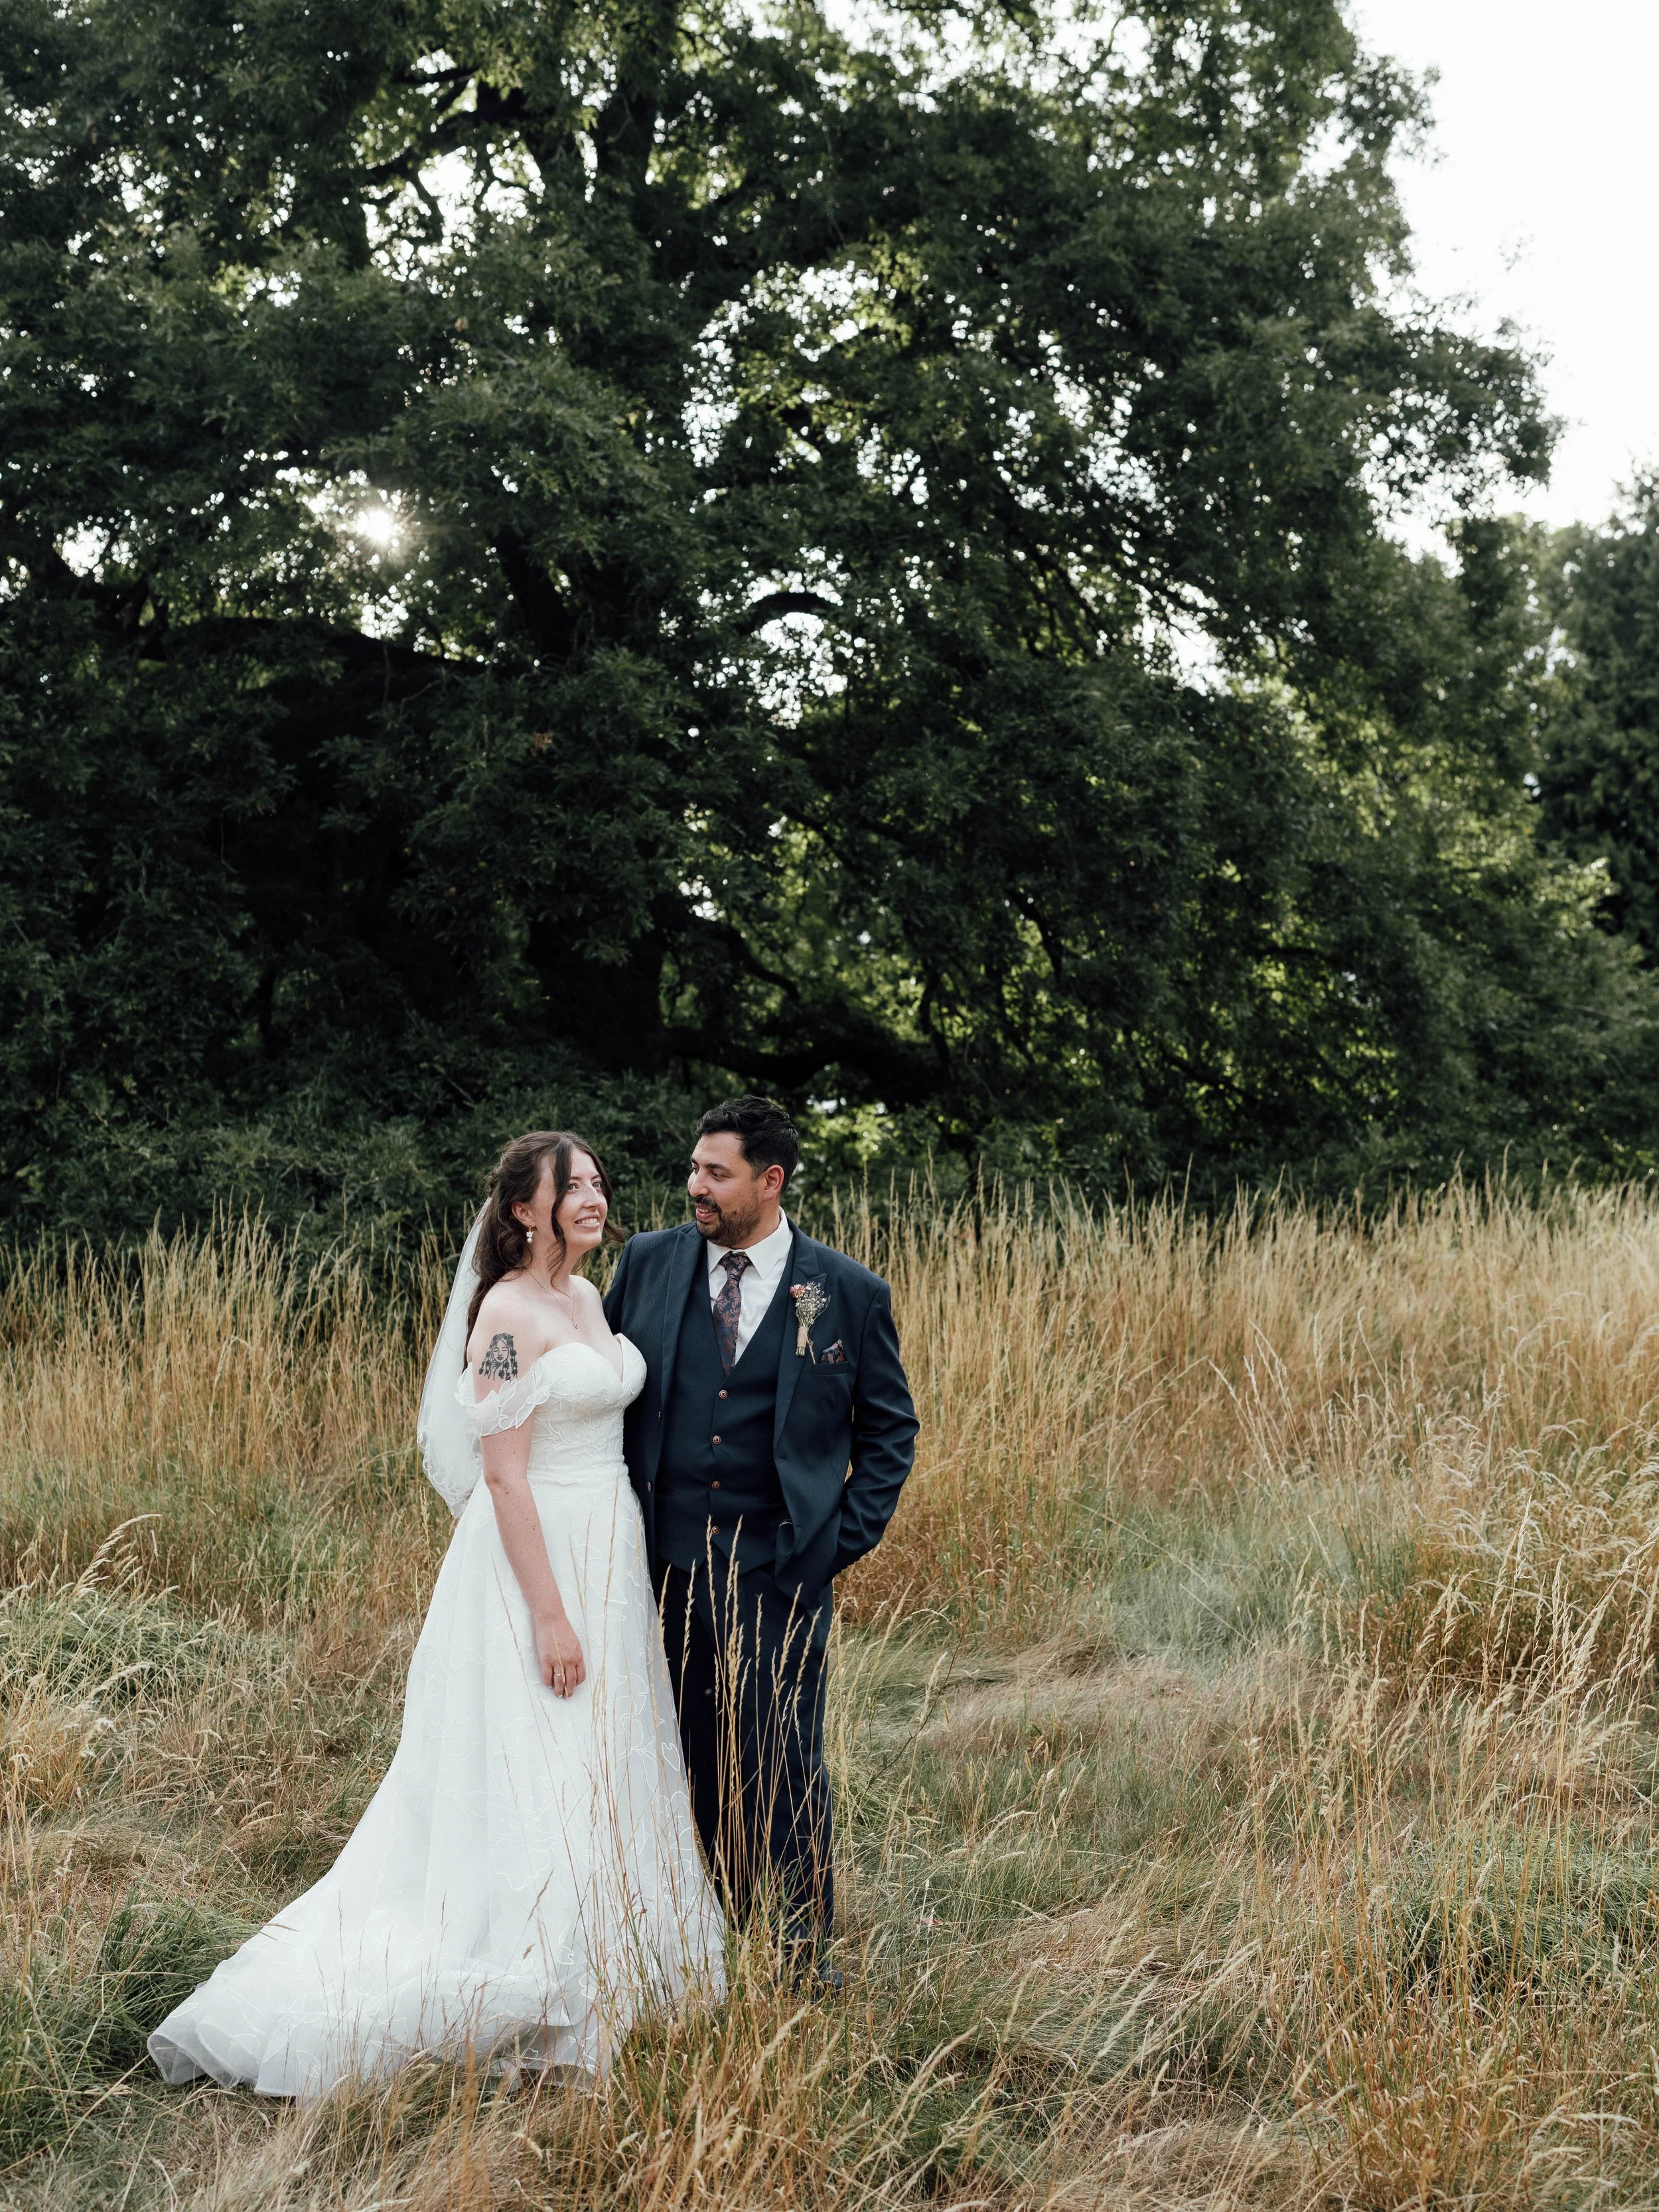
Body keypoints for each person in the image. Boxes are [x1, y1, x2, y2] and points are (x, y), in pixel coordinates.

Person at [149, 1132, 723, 2099]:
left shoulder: (585, 1297)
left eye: (595, 1181)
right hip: (534, 1564)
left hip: (609, 1551)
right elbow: (502, 1480)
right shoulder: (503, 1315)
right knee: (540, 1749)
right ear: (522, 1211)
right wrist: (550, 1617)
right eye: (571, 1185)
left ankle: (619, 1944)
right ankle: (528, 1954)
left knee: (607, 1747)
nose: (594, 1196)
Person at [603, 1096, 918, 1976]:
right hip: (658, 1563)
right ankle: (708, 1932)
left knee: (784, 1751)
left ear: (770, 1181)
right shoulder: (650, 1261)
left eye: (717, 1173)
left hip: (779, 1566)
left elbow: (890, 1430)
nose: (695, 1186)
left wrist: (832, 1542)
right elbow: (594, 1380)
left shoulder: (845, 1293)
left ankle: (806, 1944)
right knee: (683, 1749)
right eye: (695, 1168)